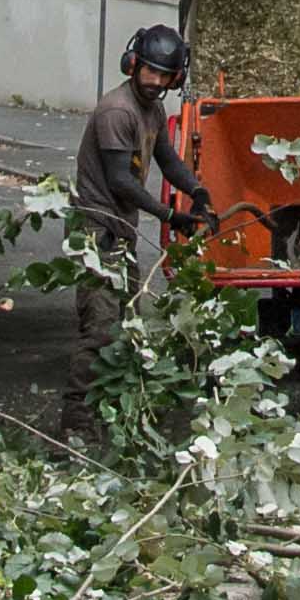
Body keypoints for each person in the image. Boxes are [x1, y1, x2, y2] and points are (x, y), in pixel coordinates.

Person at [69, 26, 211, 421]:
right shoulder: (117, 110)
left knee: (125, 323)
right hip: (97, 229)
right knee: (99, 327)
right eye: (148, 72)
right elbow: (120, 180)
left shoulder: (153, 109)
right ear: (133, 65)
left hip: (121, 230)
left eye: (163, 76)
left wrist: (197, 191)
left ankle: (114, 412)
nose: (154, 82)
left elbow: (167, 159)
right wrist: (170, 216)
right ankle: (76, 421)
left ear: (174, 78)